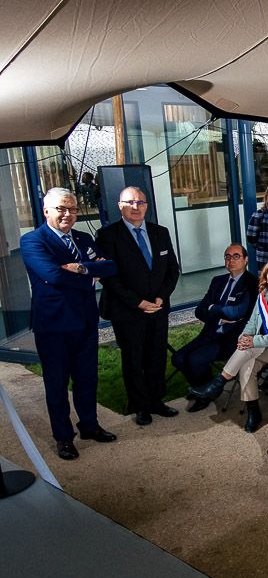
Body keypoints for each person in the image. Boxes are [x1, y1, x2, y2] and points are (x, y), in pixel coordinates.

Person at [20, 188, 118, 459]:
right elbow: (53, 275)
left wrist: (81, 267)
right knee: (57, 384)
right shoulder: (32, 241)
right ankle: (63, 437)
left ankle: (90, 426)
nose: (68, 214)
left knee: (87, 380)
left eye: (72, 209)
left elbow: (110, 267)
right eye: (61, 209)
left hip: (86, 321)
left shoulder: (83, 237)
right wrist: (90, 274)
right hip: (54, 326)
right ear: (47, 211)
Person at [96, 186, 180, 426]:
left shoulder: (160, 232)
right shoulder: (108, 236)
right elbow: (109, 277)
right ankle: (140, 405)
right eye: (129, 202)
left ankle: (156, 401)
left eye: (140, 202)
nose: (136, 206)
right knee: (133, 358)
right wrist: (138, 302)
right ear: (120, 206)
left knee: (156, 355)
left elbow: (172, 270)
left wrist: (161, 298)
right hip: (128, 310)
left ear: (147, 205)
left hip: (158, 308)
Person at [188, 260, 268, 432]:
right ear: (266, 277)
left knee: (249, 348)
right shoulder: (263, 296)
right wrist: (244, 337)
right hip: (258, 347)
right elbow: (251, 323)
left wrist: (253, 341)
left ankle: (218, 383)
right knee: (247, 366)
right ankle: (253, 412)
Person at [172, 244, 255, 391]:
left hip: (231, 338)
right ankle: (201, 388)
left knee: (195, 359)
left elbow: (236, 312)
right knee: (178, 358)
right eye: (227, 257)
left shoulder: (252, 283)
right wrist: (219, 318)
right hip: (210, 332)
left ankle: (206, 393)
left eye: (236, 256)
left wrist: (212, 307)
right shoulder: (218, 281)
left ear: (246, 259)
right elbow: (199, 311)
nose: (231, 260)